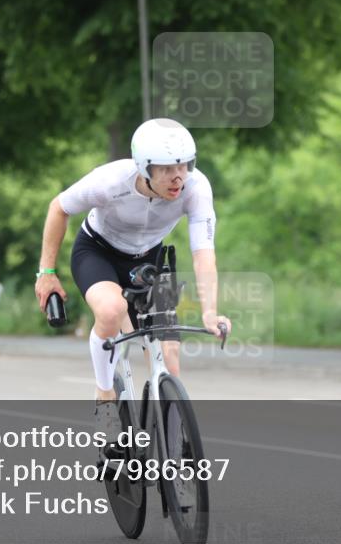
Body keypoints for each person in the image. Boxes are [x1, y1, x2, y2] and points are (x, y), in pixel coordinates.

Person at [34, 118, 232, 445]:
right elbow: (59, 208)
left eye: (185, 165)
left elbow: (203, 254)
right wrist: (46, 273)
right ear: (144, 168)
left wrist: (210, 312)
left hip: (150, 258)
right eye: (167, 169)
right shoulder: (110, 181)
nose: (178, 176)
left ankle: (171, 440)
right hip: (98, 253)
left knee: (169, 352)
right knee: (112, 311)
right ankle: (105, 399)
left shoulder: (196, 188)